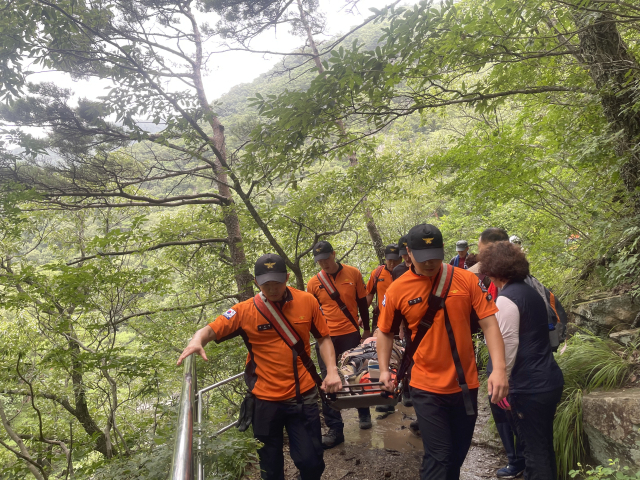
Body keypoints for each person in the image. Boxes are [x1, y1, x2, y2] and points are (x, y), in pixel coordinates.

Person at [177, 254, 342, 480]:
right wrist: (197, 340)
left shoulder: (307, 301)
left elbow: (323, 338)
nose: (272, 289)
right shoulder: (244, 311)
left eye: (277, 282)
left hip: (302, 396)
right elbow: (210, 329)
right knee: (270, 467)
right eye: (266, 284)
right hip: (264, 401)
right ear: (256, 283)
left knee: (311, 461)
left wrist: (332, 371)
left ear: (287, 277)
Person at [376, 223, 509, 480]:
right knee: (439, 456)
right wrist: (383, 370)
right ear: (409, 253)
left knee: (456, 457)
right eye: (424, 258)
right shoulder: (398, 289)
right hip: (426, 386)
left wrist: (500, 369)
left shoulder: (467, 280)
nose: (430, 263)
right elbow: (385, 331)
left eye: (435, 256)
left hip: (465, 385)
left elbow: (490, 323)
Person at [473, 227, 567, 478]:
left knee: (534, 452)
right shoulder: (530, 291)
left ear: (492, 269)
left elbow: (508, 346)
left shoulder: (506, 300)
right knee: (543, 446)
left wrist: (502, 382)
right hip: (547, 379)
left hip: (528, 385)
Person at [306, 240, 372, 447]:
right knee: (328, 379)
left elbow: (362, 302)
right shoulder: (313, 283)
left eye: (326, 258)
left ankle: (364, 413)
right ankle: (335, 429)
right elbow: (311, 311)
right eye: (320, 261)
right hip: (325, 338)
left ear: (333, 254)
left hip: (350, 333)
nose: (324, 263)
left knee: (356, 374)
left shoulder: (353, 273)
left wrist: (367, 329)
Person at [366, 244, 402, 331]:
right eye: (390, 260)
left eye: (395, 260)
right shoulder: (377, 273)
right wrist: (362, 317)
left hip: (401, 319)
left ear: (401, 259)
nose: (392, 263)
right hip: (382, 318)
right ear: (385, 259)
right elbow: (369, 294)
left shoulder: (406, 273)